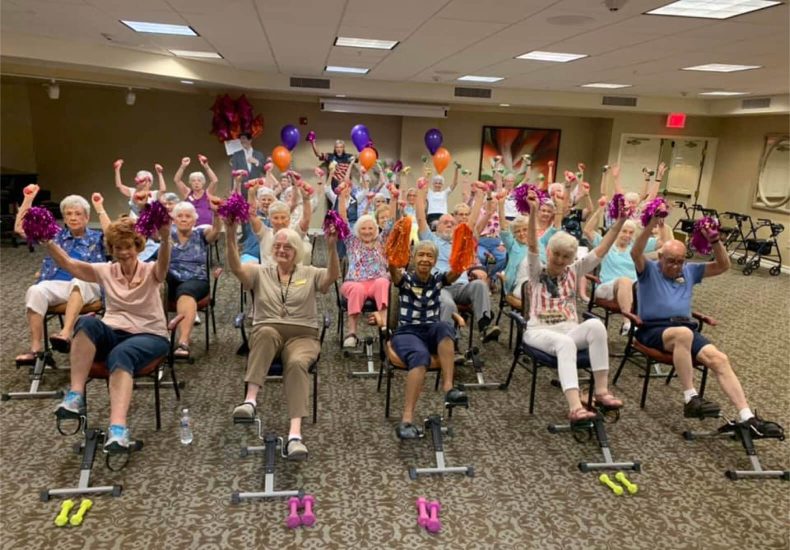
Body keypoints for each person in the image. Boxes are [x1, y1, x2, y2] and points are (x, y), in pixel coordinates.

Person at [631, 213, 783, 437]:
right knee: (683, 335)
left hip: (685, 330)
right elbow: (636, 252)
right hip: (653, 330)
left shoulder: (690, 270)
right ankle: (690, 397)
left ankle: (746, 417)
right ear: (660, 257)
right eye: (671, 261)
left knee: (719, 359)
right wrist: (652, 224)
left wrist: (715, 241)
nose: (676, 266)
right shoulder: (649, 270)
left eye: (680, 261)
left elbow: (723, 265)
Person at [51, 217, 172, 452]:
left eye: (128, 246)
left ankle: (118, 429)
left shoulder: (151, 271)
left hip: (150, 335)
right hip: (114, 330)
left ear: (138, 246)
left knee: (122, 353)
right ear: (112, 249)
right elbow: (69, 264)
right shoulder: (106, 270)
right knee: (86, 323)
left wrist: (166, 237)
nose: (124, 252)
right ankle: (76, 395)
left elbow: (164, 264)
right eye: (118, 247)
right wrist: (48, 242)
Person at [226, 222, 340, 460]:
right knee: (266, 333)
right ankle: (250, 401)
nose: (281, 250)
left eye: (287, 246)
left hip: (303, 335)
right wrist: (229, 234)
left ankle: (295, 435)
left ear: (297, 250)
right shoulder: (259, 271)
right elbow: (236, 268)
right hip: (268, 332)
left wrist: (331, 248)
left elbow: (332, 277)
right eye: (277, 246)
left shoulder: (309, 272)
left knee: (298, 363)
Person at [522, 189, 626, 423]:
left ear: (571, 259)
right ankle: (575, 406)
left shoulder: (574, 270)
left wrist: (619, 222)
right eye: (556, 254)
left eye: (565, 256)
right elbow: (531, 245)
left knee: (597, 326)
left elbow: (601, 250)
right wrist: (533, 212)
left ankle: (601, 391)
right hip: (539, 331)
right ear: (549, 252)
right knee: (565, 343)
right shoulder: (537, 272)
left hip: (568, 327)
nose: (559, 260)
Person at [388, 240, 469, 439]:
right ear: (413, 259)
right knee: (420, 356)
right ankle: (406, 419)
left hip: (430, 329)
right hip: (407, 332)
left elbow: (454, 274)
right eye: (421, 255)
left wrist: (462, 258)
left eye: (429, 256)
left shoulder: (437, 280)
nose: (425, 259)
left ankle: (448, 388)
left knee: (445, 326)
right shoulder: (406, 279)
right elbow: (394, 273)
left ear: (434, 261)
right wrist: (393, 256)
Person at [14, 188, 106, 361]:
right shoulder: (55, 235)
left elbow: (113, 236)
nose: (73, 217)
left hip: (88, 284)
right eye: (68, 214)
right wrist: (28, 199)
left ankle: (65, 333)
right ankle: (36, 349)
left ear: (86, 217)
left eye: (78, 214)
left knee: (79, 281)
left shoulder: (97, 237)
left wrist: (99, 208)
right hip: (57, 283)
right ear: (64, 218)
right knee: (35, 290)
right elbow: (20, 228)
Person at [415, 183, 501, 343]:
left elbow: (473, 220)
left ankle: (485, 326)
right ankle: (451, 341)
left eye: (451, 223)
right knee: (447, 304)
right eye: (444, 222)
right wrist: (421, 192)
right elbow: (420, 217)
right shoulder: (430, 239)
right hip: (440, 286)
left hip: (461, 287)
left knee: (480, 284)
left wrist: (481, 194)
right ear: (436, 227)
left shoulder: (461, 239)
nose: (448, 224)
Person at [583, 204, 670, 334]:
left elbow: (663, 243)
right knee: (625, 281)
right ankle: (627, 323)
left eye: (631, 233)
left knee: (659, 285)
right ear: (617, 231)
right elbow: (588, 231)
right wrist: (600, 208)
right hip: (607, 287)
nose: (627, 235)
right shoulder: (606, 245)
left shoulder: (634, 248)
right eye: (624, 231)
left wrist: (661, 226)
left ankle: (659, 331)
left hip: (634, 290)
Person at [337, 185, 391, 347]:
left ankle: (384, 325)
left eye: (370, 228)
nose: (367, 231)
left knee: (383, 282)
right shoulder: (352, 242)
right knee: (357, 289)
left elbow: (390, 223)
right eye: (363, 228)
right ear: (358, 230)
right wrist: (340, 196)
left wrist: (394, 197)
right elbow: (342, 219)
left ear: (375, 229)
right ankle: (351, 333)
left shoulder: (381, 241)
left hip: (376, 282)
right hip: (355, 282)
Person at [168, 201, 221, 358]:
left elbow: (216, 232)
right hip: (171, 276)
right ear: (174, 219)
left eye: (188, 216)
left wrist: (216, 214)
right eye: (180, 216)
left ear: (194, 220)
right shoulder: (167, 233)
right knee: (156, 283)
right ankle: (157, 335)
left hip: (196, 278)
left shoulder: (201, 234)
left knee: (185, 292)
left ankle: (183, 341)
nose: (184, 219)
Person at [172, 155, 219, 227]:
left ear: (203, 182)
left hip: (206, 228)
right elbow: (177, 180)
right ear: (190, 183)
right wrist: (183, 166)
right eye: (193, 181)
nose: (196, 183)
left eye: (199, 180)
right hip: (190, 227)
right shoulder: (187, 192)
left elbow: (214, 181)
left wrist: (206, 166)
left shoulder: (208, 193)